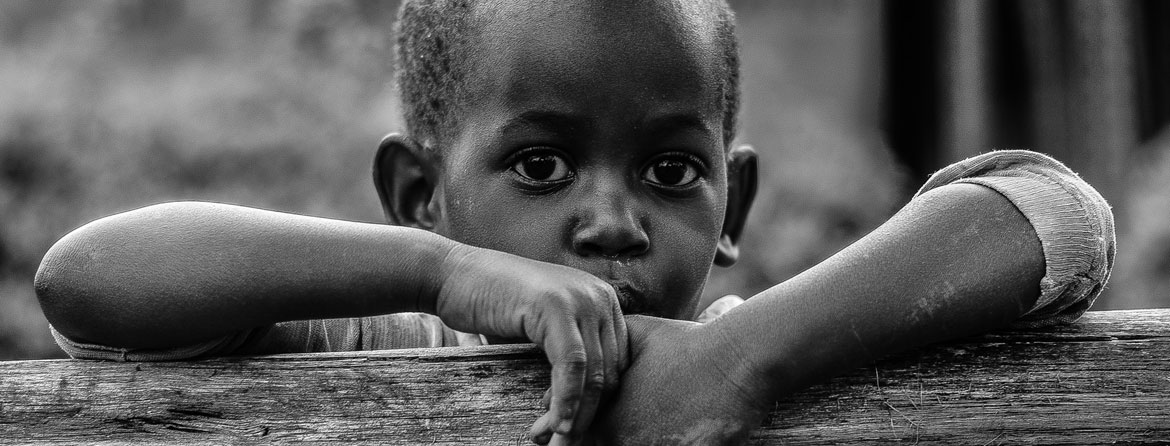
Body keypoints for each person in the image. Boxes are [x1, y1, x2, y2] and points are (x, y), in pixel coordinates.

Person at [34, 0, 1115, 444]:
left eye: (670, 170)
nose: (611, 222)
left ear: (731, 204)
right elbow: (88, 280)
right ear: (418, 193)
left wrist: (738, 360)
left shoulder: (752, 353)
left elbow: (1055, 213)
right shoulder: (376, 341)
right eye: (540, 166)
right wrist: (442, 274)